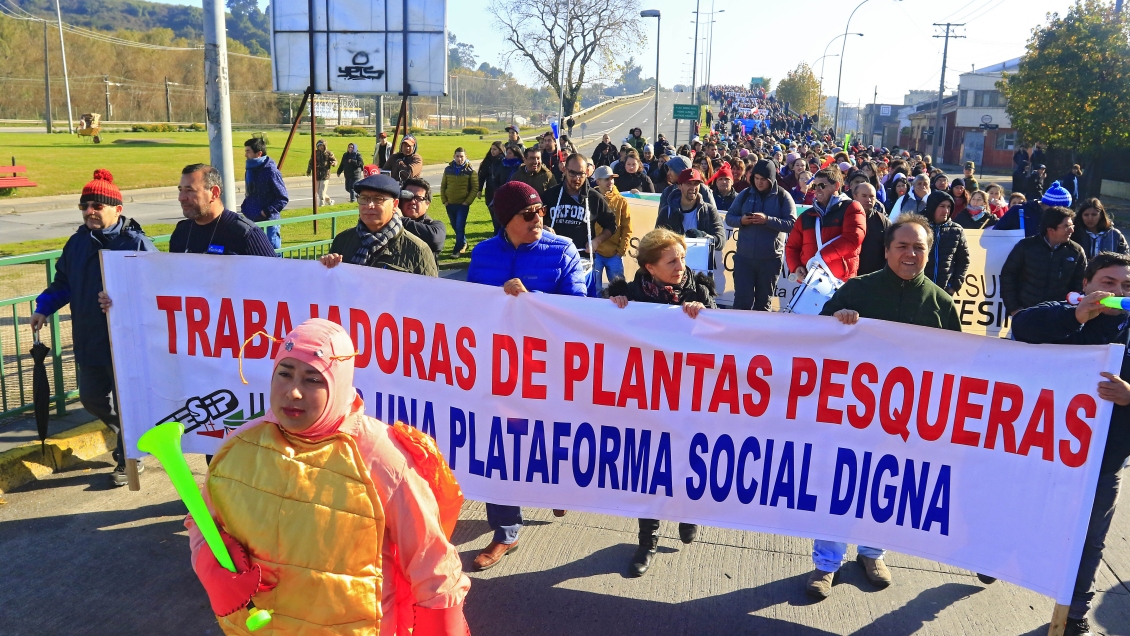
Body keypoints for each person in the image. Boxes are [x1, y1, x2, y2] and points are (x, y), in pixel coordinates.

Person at [185, 318, 471, 635]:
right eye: (284, 373)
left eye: (313, 379)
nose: (293, 392)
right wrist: (210, 561)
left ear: (339, 383)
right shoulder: (239, 447)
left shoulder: (379, 457)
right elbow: (202, 520)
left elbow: (432, 564)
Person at [806, 214, 961, 599]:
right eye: (902, 246)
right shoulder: (857, 289)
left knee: (887, 489)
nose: (911, 254)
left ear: (929, 251)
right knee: (840, 486)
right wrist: (837, 320)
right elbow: (816, 336)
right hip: (852, 414)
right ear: (888, 250)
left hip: (907, 422)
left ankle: (873, 553)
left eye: (919, 247)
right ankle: (826, 564)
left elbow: (960, 362)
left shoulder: (940, 303)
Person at [466, 181, 586, 569]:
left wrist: (531, 302)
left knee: (550, 441)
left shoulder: (562, 249)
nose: (539, 219)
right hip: (498, 368)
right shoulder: (483, 254)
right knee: (498, 444)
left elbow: (579, 308)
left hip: (548, 368)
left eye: (541, 211)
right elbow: (467, 307)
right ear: (506, 219)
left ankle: (558, 489)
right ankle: (505, 530)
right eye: (528, 214)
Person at [1010, 252, 1130, 636]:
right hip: (1044, 452)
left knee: (1091, 539)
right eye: (1109, 283)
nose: (1117, 291)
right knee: (1024, 517)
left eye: (1126, 286)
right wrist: (1075, 318)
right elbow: (1021, 326)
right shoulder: (1063, 312)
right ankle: (996, 559)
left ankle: (1076, 611)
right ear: (1087, 285)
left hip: (1105, 460)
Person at [31, 169, 157, 487]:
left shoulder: (136, 243)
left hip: (127, 342)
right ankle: (133, 442)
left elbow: (158, 290)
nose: (90, 211)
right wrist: (44, 308)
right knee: (90, 398)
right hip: (89, 340)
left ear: (118, 208)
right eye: (85, 205)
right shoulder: (76, 244)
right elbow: (64, 283)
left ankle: (130, 457)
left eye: (97, 205)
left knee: (126, 400)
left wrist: (123, 299)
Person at [605, 228, 710, 577]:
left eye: (681, 257)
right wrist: (615, 308)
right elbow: (605, 334)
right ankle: (646, 541)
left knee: (687, 460)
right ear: (650, 268)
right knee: (650, 470)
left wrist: (704, 313)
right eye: (671, 260)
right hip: (648, 398)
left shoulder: (699, 291)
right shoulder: (631, 296)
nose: (680, 265)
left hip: (690, 396)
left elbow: (723, 337)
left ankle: (687, 513)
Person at [320, 173, 438, 277]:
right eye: (364, 198)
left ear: (395, 204)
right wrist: (325, 267)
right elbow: (328, 289)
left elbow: (430, 297)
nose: (369, 205)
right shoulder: (343, 241)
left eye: (378, 199)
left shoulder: (418, 250)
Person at [726, 159, 796, 310]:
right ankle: (737, 333)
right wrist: (742, 221)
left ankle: (761, 334)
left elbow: (792, 224)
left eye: (763, 179)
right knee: (741, 302)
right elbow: (729, 217)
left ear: (771, 179)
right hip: (744, 259)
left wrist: (767, 220)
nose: (759, 183)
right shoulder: (745, 194)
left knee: (763, 304)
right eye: (756, 178)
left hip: (769, 260)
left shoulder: (783, 197)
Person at [543, 154, 617, 295]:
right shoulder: (550, 195)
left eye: (581, 174)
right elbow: (534, 220)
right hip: (553, 260)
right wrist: (543, 228)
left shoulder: (594, 198)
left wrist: (597, 241)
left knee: (581, 304)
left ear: (587, 173)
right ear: (564, 170)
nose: (577, 178)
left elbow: (611, 225)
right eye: (572, 173)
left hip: (582, 263)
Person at [171, 164, 278, 257]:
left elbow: (275, 276)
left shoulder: (246, 235)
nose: (181, 197)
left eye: (190, 190)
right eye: (181, 190)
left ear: (214, 192)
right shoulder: (181, 233)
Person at [1000, 205, 1087, 316]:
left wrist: (1070, 310)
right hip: (1026, 314)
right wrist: (1014, 309)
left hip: (1059, 316)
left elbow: (1081, 284)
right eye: (1066, 226)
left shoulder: (1076, 251)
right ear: (1051, 230)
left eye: (1072, 225)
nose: (1072, 230)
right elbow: (1008, 276)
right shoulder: (1026, 246)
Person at [785, 168, 866, 283]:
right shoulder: (806, 216)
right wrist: (796, 267)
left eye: (822, 185)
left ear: (837, 186)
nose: (817, 190)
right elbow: (792, 247)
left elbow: (853, 238)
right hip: (810, 283)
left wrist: (820, 258)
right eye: (814, 186)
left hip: (840, 283)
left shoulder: (852, 207)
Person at [655, 168, 725, 271]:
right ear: (679, 186)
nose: (693, 188)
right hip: (674, 269)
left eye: (696, 184)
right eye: (688, 184)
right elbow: (657, 240)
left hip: (701, 268)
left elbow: (721, 241)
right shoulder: (667, 212)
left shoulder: (709, 211)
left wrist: (704, 236)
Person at [241, 137, 288, 250]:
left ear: (259, 153)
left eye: (248, 151)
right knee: (255, 253)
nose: (245, 155)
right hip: (251, 219)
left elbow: (282, 198)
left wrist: (265, 212)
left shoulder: (271, 172)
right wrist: (245, 207)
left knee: (272, 253)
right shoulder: (250, 169)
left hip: (268, 223)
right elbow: (251, 192)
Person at [923, 190, 970, 296]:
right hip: (919, 290)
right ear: (932, 206)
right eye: (942, 206)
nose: (946, 211)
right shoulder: (918, 226)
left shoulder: (956, 230)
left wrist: (954, 286)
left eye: (949, 207)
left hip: (944, 291)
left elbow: (963, 260)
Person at [591, 166, 631, 285]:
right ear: (598, 181)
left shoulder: (621, 201)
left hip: (614, 253)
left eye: (612, 178)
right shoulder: (590, 199)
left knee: (619, 290)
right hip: (595, 253)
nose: (610, 182)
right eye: (606, 179)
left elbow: (626, 227)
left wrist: (621, 250)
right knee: (594, 290)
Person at [439, 147, 479, 257]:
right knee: (455, 226)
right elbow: (443, 186)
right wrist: (444, 201)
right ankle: (464, 242)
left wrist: (467, 202)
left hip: (462, 205)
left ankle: (457, 250)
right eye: (457, 156)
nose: (459, 159)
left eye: (461, 156)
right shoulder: (448, 169)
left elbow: (475, 188)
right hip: (450, 204)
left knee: (460, 227)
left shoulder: (470, 171)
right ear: (454, 156)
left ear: (466, 157)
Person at [996, 180, 1073, 236]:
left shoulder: (1056, 218)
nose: (1064, 212)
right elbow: (996, 233)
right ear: (1055, 206)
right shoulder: (1018, 210)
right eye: (1064, 208)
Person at [401, 177, 447, 259]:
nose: (412, 202)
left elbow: (434, 240)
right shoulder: (389, 222)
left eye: (418, 198)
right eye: (407, 197)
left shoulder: (434, 226)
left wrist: (401, 220)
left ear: (427, 204)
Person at [853, 182, 890, 276]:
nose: (868, 200)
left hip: (874, 277)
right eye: (864, 196)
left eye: (872, 196)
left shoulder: (883, 222)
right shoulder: (845, 218)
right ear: (855, 196)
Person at [306, 140, 336, 206]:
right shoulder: (315, 153)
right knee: (318, 192)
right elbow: (311, 162)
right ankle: (330, 201)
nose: (321, 147)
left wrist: (333, 163)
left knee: (321, 194)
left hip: (325, 175)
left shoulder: (328, 153)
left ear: (325, 146)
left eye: (322, 145)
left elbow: (334, 161)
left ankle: (321, 206)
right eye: (319, 146)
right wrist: (308, 171)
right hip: (317, 175)